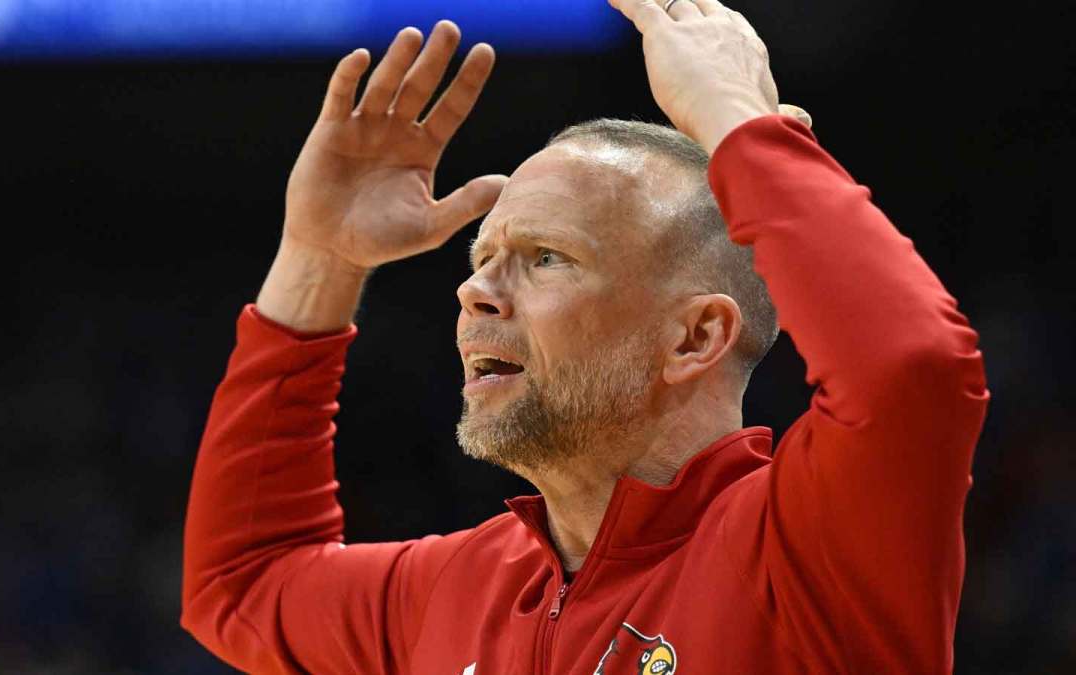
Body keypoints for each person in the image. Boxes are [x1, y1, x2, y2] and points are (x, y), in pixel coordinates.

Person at [181, 0, 989, 672]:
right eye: (482, 258)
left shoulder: (813, 552)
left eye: (544, 258)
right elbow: (240, 581)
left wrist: (741, 125)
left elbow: (909, 366)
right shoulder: (457, 588)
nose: (474, 290)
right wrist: (318, 263)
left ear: (695, 336)